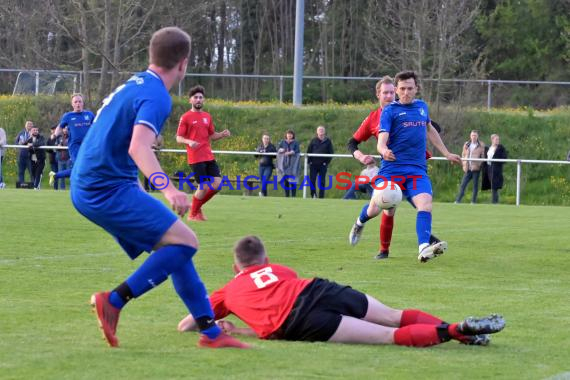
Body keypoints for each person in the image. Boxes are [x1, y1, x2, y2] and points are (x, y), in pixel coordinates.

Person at [70, 27, 248, 349]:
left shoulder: (135, 84)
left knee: (176, 247)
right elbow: (139, 147)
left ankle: (211, 333)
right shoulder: (156, 96)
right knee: (187, 241)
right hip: (104, 188)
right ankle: (114, 300)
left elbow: (111, 137)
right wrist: (168, 189)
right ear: (183, 63)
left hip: (98, 183)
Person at [178, 236, 505, 347]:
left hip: (297, 322)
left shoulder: (228, 290)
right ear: (265, 259)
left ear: (237, 268)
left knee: (385, 337)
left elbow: (187, 324)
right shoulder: (281, 270)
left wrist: (230, 324)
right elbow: (279, 291)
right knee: (392, 316)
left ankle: (453, 331)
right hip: (316, 288)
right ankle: (463, 333)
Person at [349, 71, 462, 263]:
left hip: (417, 170)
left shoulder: (422, 107)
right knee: (376, 209)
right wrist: (383, 149)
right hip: (392, 171)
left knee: (425, 204)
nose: (406, 92)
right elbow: (381, 139)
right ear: (397, 89)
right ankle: (359, 223)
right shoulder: (389, 112)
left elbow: (430, 129)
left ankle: (423, 248)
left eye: (410, 88)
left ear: (416, 88)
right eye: (402, 89)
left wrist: (447, 153)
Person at [176, 85, 231, 221]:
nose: (198, 99)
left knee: (218, 184)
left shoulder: (207, 116)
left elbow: (212, 135)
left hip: (208, 156)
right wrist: (189, 142)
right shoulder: (186, 117)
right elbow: (178, 138)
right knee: (204, 187)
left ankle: (195, 208)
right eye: (196, 97)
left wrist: (222, 135)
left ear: (203, 100)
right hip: (196, 158)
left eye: (201, 97)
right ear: (190, 100)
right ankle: (193, 214)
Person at [49, 93, 94, 187]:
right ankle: (82, 185)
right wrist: (54, 135)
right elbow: (60, 127)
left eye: (80, 101)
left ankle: (55, 175)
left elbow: (96, 127)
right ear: (72, 104)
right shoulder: (68, 116)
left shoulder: (89, 114)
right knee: (81, 166)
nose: (78, 104)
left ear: (83, 103)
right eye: (76, 102)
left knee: (87, 167)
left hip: (87, 145)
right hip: (75, 146)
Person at [455, 130, 485, 204]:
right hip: (467, 168)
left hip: (476, 169)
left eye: (475, 135)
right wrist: (464, 163)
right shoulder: (466, 144)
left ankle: (473, 201)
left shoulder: (481, 145)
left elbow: (483, 157)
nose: (473, 137)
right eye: (472, 135)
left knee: (475, 186)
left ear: (477, 136)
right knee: (463, 185)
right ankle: (458, 200)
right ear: (470, 136)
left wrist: (479, 164)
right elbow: (463, 154)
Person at [307, 126, 334, 198]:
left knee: (322, 182)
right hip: (313, 165)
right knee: (312, 180)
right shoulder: (313, 140)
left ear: (324, 132)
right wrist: (309, 162)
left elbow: (331, 153)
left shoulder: (328, 141)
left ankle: (321, 197)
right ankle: (313, 195)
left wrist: (326, 162)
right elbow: (308, 151)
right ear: (317, 132)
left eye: (322, 130)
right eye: (319, 130)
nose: (321, 131)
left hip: (323, 165)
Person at [482, 134, 508, 204]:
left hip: (497, 169)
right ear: (492, 140)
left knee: (495, 187)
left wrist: (497, 161)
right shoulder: (489, 148)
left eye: (498, 139)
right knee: (492, 186)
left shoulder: (501, 148)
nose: (497, 141)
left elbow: (505, 158)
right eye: (496, 139)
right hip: (489, 168)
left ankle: (494, 202)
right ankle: (495, 202)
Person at [277, 129, 301, 197]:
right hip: (284, 164)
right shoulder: (282, 141)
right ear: (286, 135)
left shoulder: (295, 142)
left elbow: (297, 150)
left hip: (293, 163)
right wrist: (281, 150)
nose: (289, 135)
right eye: (288, 134)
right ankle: (286, 195)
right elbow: (278, 148)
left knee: (293, 180)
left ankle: (293, 196)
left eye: (291, 134)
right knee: (286, 180)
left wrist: (292, 152)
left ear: (293, 135)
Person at [15, 120, 34, 185]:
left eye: (30, 124)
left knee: (32, 171)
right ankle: (21, 185)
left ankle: (34, 185)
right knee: (21, 172)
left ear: (32, 126)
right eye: (28, 124)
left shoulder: (34, 133)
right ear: (25, 125)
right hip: (22, 155)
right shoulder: (21, 133)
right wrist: (18, 144)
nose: (29, 126)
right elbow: (16, 142)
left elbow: (37, 142)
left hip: (30, 155)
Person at [46, 125, 59, 190]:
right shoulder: (49, 138)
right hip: (52, 158)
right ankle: (55, 188)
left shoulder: (59, 137)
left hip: (60, 158)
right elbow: (47, 149)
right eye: (52, 130)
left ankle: (62, 187)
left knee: (60, 172)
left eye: (55, 129)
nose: (53, 131)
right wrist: (53, 148)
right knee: (54, 173)